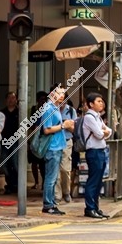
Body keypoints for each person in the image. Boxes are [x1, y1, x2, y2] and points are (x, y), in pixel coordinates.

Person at [39, 86, 74, 215]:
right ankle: (48, 204)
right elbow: (46, 129)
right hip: (52, 147)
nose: (61, 96)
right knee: (51, 177)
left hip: (58, 146)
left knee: (54, 177)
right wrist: (63, 126)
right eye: (58, 93)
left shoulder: (55, 108)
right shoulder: (49, 109)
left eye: (63, 94)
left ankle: (52, 203)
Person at [81, 93, 111, 219]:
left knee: (99, 182)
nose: (101, 103)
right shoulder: (89, 117)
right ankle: (90, 208)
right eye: (98, 101)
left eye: (102, 101)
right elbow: (99, 134)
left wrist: (103, 132)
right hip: (93, 151)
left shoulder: (97, 117)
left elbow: (109, 131)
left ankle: (96, 207)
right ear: (91, 104)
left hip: (101, 151)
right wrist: (103, 132)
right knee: (93, 181)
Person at [59, 94, 79, 204]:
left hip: (66, 142)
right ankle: (57, 196)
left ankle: (66, 192)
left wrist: (67, 125)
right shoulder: (51, 109)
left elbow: (74, 129)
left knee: (65, 169)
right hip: (53, 142)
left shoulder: (71, 111)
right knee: (55, 171)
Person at [1, 92, 20, 195]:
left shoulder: (19, 112)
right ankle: (9, 184)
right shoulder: (2, 112)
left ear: (16, 100)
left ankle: (17, 184)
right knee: (4, 163)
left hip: (16, 141)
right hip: (4, 141)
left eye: (13, 98)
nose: (11, 100)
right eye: (9, 98)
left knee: (15, 163)